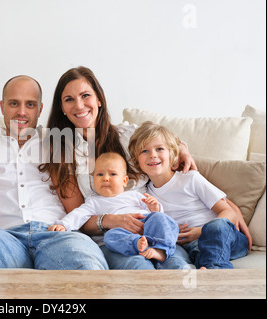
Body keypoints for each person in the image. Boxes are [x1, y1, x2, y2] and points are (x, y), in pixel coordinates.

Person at [0, 75, 109, 270]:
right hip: (4, 240)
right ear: (2, 107)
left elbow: (75, 206)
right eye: (14, 103)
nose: (22, 112)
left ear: (40, 109)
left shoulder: (56, 142)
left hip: (54, 235)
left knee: (85, 258)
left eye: (30, 105)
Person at [40, 66, 196, 270]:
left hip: (151, 230)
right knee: (138, 268)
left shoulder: (128, 135)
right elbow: (79, 216)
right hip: (111, 239)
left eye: (85, 95)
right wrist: (109, 220)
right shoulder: (62, 153)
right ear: (62, 107)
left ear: (99, 100)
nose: (79, 105)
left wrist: (182, 150)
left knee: (178, 267)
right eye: (69, 99)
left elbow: (165, 143)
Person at [128, 121, 250, 269]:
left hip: (223, 238)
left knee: (216, 227)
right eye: (144, 151)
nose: (153, 155)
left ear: (173, 155)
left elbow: (229, 212)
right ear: (137, 161)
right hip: (191, 248)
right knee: (171, 255)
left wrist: (201, 231)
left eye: (159, 149)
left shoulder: (190, 179)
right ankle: (203, 270)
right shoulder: (146, 196)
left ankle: (215, 270)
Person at [49, 152, 179, 262]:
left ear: (124, 181)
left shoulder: (134, 195)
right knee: (110, 236)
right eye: (99, 174)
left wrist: (154, 207)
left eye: (112, 174)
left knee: (162, 219)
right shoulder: (93, 202)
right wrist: (63, 225)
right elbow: (78, 214)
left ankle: (161, 250)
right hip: (125, 233)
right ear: (93, 180)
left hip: (147, 225)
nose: (105, 178)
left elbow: (159, 216)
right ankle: (137, 244)